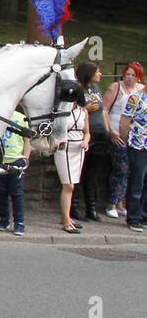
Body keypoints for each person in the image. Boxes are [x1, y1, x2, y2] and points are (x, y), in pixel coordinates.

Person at [104, 62, 143, 218]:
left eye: (133, 75)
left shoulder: (140, 90)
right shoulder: (116, 87)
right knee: (121, 168)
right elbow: (105, 109)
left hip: (134, 137)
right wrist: (111, 131)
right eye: (127, 74)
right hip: (117, 134)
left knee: (131, 170)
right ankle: (111, 202)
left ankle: (121, 202)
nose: (130, 78)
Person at [55, 73, 92, 234]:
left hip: (79, 148)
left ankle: (66, 216)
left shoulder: (83, 111)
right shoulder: (62, 111)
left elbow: (87, 132)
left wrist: (86, 140)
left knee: (72, 184)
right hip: (65, 148)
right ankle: (66, 220)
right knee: (68, 184)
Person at [74, 61, 107, 223]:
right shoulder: (78, 88)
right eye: (97, 72)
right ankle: (74, 207)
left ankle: (91, 208)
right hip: (83, 134)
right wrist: (86, 109)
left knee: (92, 174)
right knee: (79, 172)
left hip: (99, 134)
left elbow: (103, 110)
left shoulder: (96, 89)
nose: (100, 74)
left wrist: (108, 131)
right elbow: (71, 109)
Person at [0, 109, 31, 236]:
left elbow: (27, 140)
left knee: (17, 193)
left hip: (16, 159)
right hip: (1, 160)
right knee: (1, 191)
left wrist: (25, 158)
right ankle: (4, 219)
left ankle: (19, 222)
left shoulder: (21, 118)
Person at [119, 82, 147, 232]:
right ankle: (133, 217)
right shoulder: (135, 98)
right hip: (138, 145)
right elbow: (125, 121)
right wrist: (124, 140)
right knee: (137, 181)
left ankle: (144, 216)